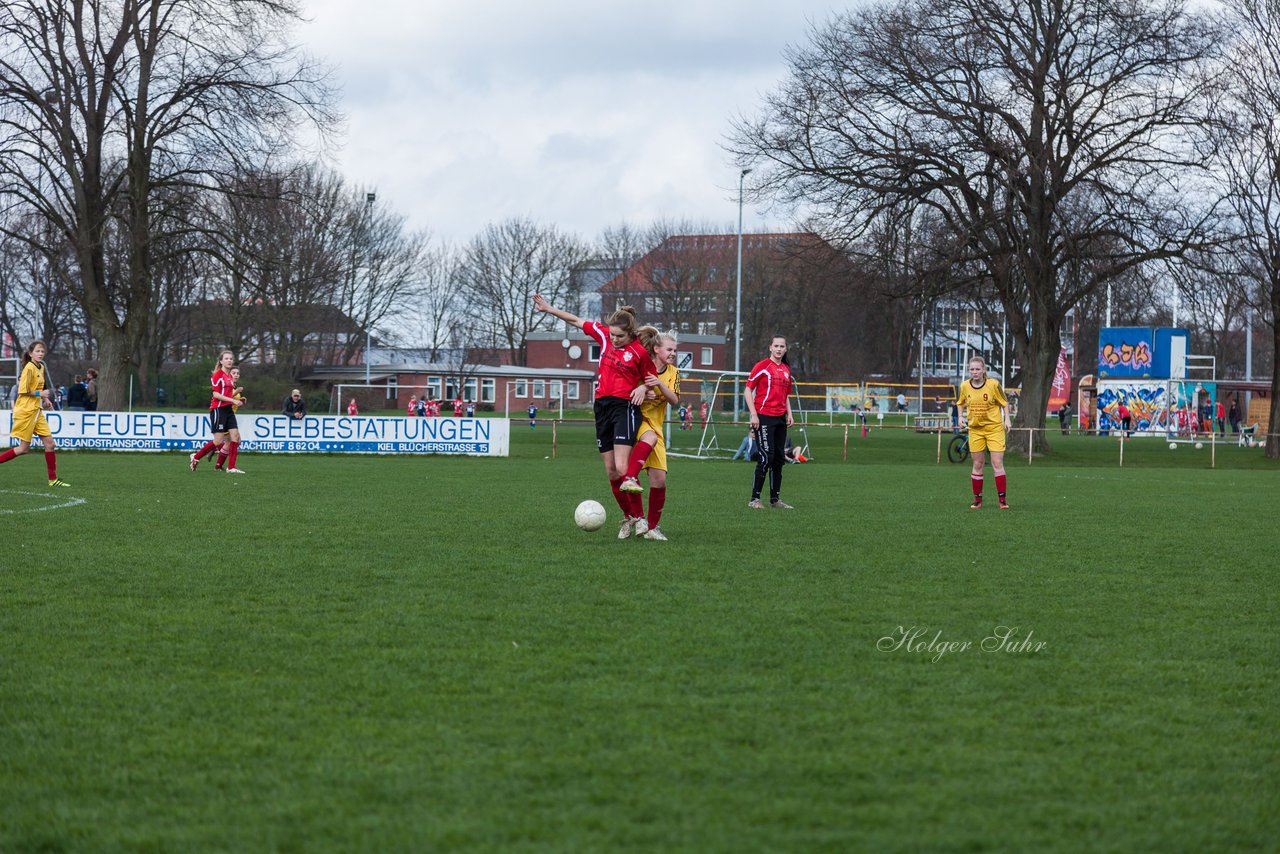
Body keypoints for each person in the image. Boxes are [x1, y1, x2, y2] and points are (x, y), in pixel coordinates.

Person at [533, 292, 657, 539]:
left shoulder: (640, 353)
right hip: (601, 408)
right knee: (611, 472)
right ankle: (628, 518)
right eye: (612, 335)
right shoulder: (604, 336)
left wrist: (644, 387)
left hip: (624, 408)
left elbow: (652, 383)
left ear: (630, 333)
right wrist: (549, 309)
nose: (615, 339)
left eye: (620, 336)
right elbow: (577, 321)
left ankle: (641, 519)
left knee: (623, 468)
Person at [623, 326, 681, 541]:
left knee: (659, 480)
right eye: (669, 350)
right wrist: (640, 390)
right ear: (656, 349)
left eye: (675, 350)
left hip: (656, 426)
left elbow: (674, 400)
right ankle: (631, 483)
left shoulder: (673, 373)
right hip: (637, 421)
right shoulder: (641, 366)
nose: (673, 354)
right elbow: (629, 390)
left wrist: (658, 385)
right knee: (646, 443)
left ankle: (651, 528)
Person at [0, 340, 70, 487]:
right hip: (25, 411)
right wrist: (40, 393)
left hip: (36, 411)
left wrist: (45, 399)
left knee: (50, 444)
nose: (40, 354)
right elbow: (22, 391)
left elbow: (39, 387)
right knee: (23, 449)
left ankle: (53, 480)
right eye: (37, 351)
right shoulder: (28, 369)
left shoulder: (41, 367)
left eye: (42, 351)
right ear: (31, 353)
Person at [745, 335, 795, 509]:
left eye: (782, 346)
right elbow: (747, 390)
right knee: (766, 457)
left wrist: (790, 413)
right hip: (764, 416)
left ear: (786, 349)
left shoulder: (787, 369)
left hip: (780, 418)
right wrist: (753, 414)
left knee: (779, 459)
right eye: (776, 346)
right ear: (770, 348)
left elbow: (786, 395)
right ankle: (754, 500)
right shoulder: (763, 366)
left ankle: (775, 500)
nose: (779, 349)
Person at [956, 355, 1011, 509]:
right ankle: (978, 501)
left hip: (994, 429)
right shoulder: (965, 386)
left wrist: (1007, 419)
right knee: (978, 463)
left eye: (977, 369)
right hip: (975, 430)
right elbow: (960, 403)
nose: (975, 372)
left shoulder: (993, 384)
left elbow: (1004, 403)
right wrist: (960, 417)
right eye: (972, 369)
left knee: (997, 462)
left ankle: (1002, 501)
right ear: (969, 371)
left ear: (984, 370)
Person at [189, 352, 245, 474]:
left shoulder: (229, 376)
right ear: (221, 361)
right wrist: (233, 400)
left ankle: (231, 467)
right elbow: (216, 395)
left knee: (235, 437)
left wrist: (236, 400)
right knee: (218, 442)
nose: (229, 361)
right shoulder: (217, 375)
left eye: (231, 358)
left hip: (228, 410)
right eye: (226, 359)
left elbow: (228, 394)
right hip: (218, 410)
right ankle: (196, 457)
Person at [215, 367, 248, 472]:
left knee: (234, 441)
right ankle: (229, 466)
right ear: (229, 374)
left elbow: (232, 402)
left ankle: (219, 465)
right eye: (234, 373)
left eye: (238, 373)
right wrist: (236, 393)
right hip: (223, 416)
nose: (236, 375)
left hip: (229, 417)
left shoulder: (233, 386)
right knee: (233, 441)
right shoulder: (227, 385)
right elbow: (222, 398)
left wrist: (240, 400)